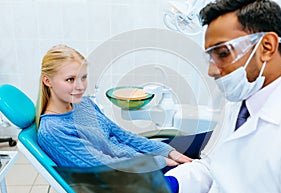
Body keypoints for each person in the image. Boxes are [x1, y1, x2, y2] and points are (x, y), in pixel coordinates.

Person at [166, 0, 281, 193]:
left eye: (223, 53)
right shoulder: (241, 100)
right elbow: (216, 165)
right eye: (211, 57)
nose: (212, 70)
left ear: (267, 46)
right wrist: (172, 184)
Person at [36, 44, 192, 170]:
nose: (81, 86)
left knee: (201, 145)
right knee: (203, 168)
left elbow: (124, 136)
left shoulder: (84, 104)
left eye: (83, 78)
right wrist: (159, 162)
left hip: (138, 162)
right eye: (70, 79)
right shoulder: (52, 130)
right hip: (128, 181)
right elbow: (104, 167)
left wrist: (167, 151)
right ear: (47, 81)